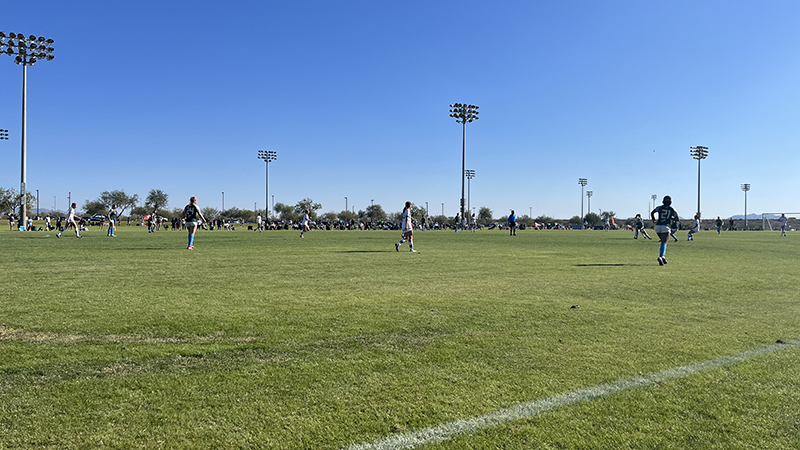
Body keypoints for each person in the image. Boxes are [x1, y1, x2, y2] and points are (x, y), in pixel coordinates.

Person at [651, 196, 678, 266]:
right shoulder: (671, 209)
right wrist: (671, 219)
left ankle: (663, 257)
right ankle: (661, 256)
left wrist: (653, 219)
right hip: (665, 226)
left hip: (657, 226)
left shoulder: (659, 207)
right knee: (664, 242)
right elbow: (677, 218)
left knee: (663, 242)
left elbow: (652, 212)